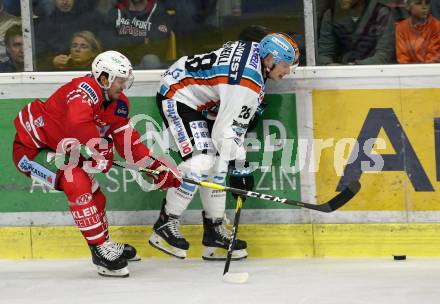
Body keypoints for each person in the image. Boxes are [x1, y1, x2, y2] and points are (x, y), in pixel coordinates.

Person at [11, 50, 181, 277]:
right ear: (103, 78)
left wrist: (155, 166)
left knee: (96, 196)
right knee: (77, 182)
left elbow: (129, 145)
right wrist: (100, 149)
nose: (123, 86)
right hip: (31, 151)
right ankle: (100, 250)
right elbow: (78, 122)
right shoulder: (84, 89)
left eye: (125, 80)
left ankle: (104, 244)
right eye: (119, 81)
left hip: (62, 149)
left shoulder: (118, 104)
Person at [149, 33, 300, 260]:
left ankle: (214, 232)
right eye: (286, 65)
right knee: (200, 161)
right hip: (178, 93)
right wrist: (241, 166)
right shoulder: (246, 82)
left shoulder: (256, 54)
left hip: (201, 96)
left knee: (218, 163)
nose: (288, 71)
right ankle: (165, 223)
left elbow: (230, 128)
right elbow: (224, 133)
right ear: (269, 59)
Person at [97, 0, 176, 69]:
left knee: (151, 60)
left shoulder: (159, 11)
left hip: (144, 64)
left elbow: (156, 39)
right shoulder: (116, 10)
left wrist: (121, 41)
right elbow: (106, 41)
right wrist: (141, 40)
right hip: (118, 62)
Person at [317, 0, 396, 65]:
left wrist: (354, 67)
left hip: (377, 76)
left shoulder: (381, 13)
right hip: (341, 77)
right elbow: (324, 55)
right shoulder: (331, 15)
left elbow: (384, 56)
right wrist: (329, 65)